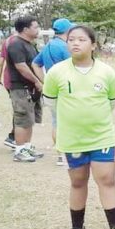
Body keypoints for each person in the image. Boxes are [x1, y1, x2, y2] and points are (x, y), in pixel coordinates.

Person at [42, 25, 115, 229]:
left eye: (81, 40)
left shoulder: (106, 72)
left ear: (93, 45)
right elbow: (51, 102)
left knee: (107, 181)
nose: (75, 43)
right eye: (71, 39)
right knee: (78, 181)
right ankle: (77, 228)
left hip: (101, 137)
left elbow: (113, 101)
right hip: (72, 139)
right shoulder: (56, 72)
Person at [32, 18, 74, 166]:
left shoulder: (48, 46)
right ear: (68, 31)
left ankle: (60, 155)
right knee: (69, 122)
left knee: (56, 122)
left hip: (53, 90)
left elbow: (35, 64)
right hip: (67, 90)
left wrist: (45, 82)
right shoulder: (65, 47)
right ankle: (68, 153)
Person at [7, 16, 43, 162]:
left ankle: (27, 147)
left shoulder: (30, 44)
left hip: (31, 89)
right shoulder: (16, 44)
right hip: (21, 88)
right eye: (35, 27)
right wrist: (37, 81)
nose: (38, 29)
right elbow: (21, 67)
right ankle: (20, 150)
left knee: (29, 119)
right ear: (25, 29)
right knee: (22, 118)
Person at [0, 33, 18, 148]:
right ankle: (13, 137)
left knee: (18, 109)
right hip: (15, 81)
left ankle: (14, 136)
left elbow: (0, 63)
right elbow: (0, 63)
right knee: (20, 110)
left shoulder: (7, 41)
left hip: (8, 80)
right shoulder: (17, 42)